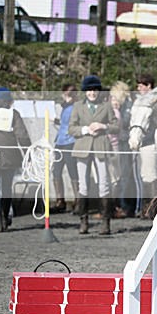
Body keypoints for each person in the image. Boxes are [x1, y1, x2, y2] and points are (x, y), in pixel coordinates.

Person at [69, 75, 119, 235]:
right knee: (83, 184)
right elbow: (71, 128)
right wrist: (85, 129)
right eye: (90, 90)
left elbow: (116, 126)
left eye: (95, 90)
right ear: (85, 91)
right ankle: (83, 221)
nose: (92, 93)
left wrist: (103, 126)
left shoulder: (106, 106)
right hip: (82, 147)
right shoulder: (78, 106)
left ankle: (106, 221)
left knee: (104, 184)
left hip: (101, 146)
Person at [0, 87, 31, 232]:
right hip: (9, 156)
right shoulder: (13, 114)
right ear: (9, 101)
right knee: (6, 188)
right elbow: (23, 136)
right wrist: (28, 153)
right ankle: (5, 217)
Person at [133, 73, 157, 214]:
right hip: (138, 142)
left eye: (141, 85)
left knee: (150, 175)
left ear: (149, 86)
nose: (139, 88)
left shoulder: (155, 102)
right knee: (142, 176)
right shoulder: (138, 101)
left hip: (149, 141)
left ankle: (151, 207)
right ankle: (144, 206)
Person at [52, 84, 79, 213]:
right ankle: (59, 200)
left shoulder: (75, 107)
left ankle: (78, 200)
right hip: (60, 142)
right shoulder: (65, 107)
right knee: (56, 171)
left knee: (72, 171)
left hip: (70, 142)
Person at [109, 81, 134, 218]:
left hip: (124, 143)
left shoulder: (127, 106)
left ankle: (125, 206)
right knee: (116, 177)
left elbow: (124, 123)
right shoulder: (121, 106)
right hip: (116, 142)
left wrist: (116, 112)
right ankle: (116, 205)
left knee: (124, 175)